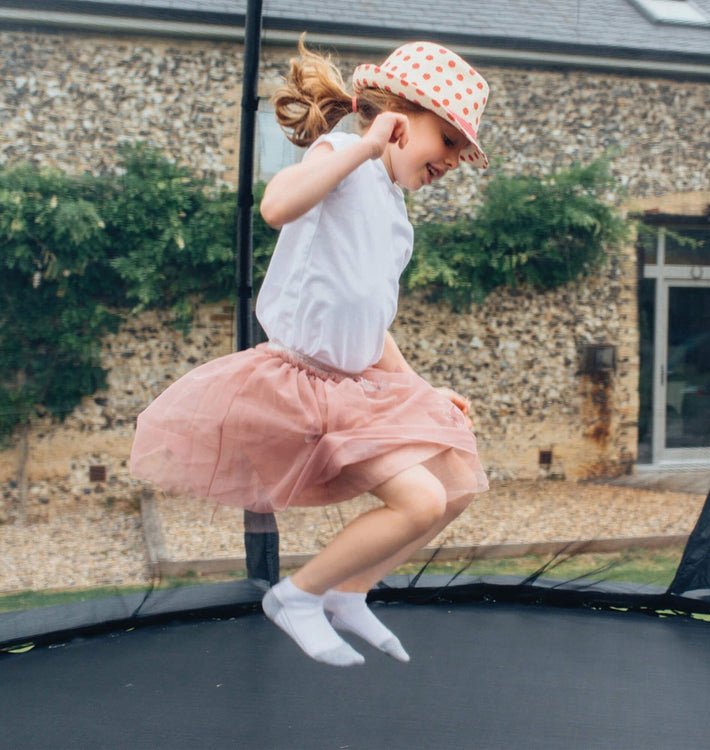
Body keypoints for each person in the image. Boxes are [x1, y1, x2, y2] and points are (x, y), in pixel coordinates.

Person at [130, 38, 490, 667]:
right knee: (421, 500)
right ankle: (296, 597)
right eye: (450, 139)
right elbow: (275, 206)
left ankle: (350, 592)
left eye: (464, 149)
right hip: (299, 385)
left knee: (456, 483)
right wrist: (366, 145)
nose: (456, 158)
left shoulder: (395, 214)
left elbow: (369, 322)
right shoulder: (343, 157)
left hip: (356, 388)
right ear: (399, 112)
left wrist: (423, 390)